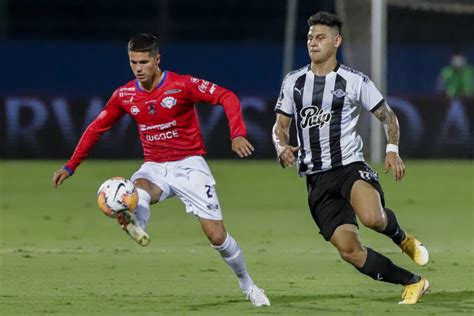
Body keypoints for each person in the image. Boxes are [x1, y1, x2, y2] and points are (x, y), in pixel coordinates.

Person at [52, 33, 270, 307]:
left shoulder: (182, 85)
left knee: (217, 236)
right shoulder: (125, 95)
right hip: (154, 166)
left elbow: (226, 96)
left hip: (190, 165)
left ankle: (248, 285)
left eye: (144, 61)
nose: (138, 68)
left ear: (157, 59)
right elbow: (97, 128)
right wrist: (71, 165)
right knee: (138, 186)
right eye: (133, 62)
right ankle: (137, 223)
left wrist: (237, 133)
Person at [272, 11, 430, 305]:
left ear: (337, 41)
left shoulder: (354, 80)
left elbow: (388, 117)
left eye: (320, 37)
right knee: (349, 251)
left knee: (371, 217)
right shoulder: (293, 82)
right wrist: (280, 147)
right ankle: (414, 282)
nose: (313, 43)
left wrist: (392, 151)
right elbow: (280, 126)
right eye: (310, 38)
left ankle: (401, 237)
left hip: (349, 167)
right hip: (316, 179)